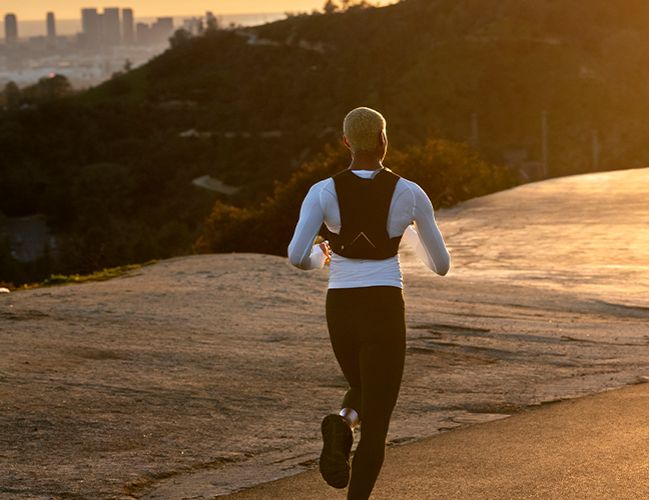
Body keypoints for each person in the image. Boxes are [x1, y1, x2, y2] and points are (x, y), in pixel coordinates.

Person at [287, 107, 451, 499]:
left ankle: (342, 424)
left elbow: (296, 256)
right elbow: (441, 265)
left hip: (340, 307)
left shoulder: (323, 191)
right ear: (383, 139)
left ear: (346, 142)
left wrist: (321, 256)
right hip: (383, 305)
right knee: (377, 423)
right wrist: (408, 239)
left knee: (361, 388)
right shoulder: (409, 193)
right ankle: (348, 447)